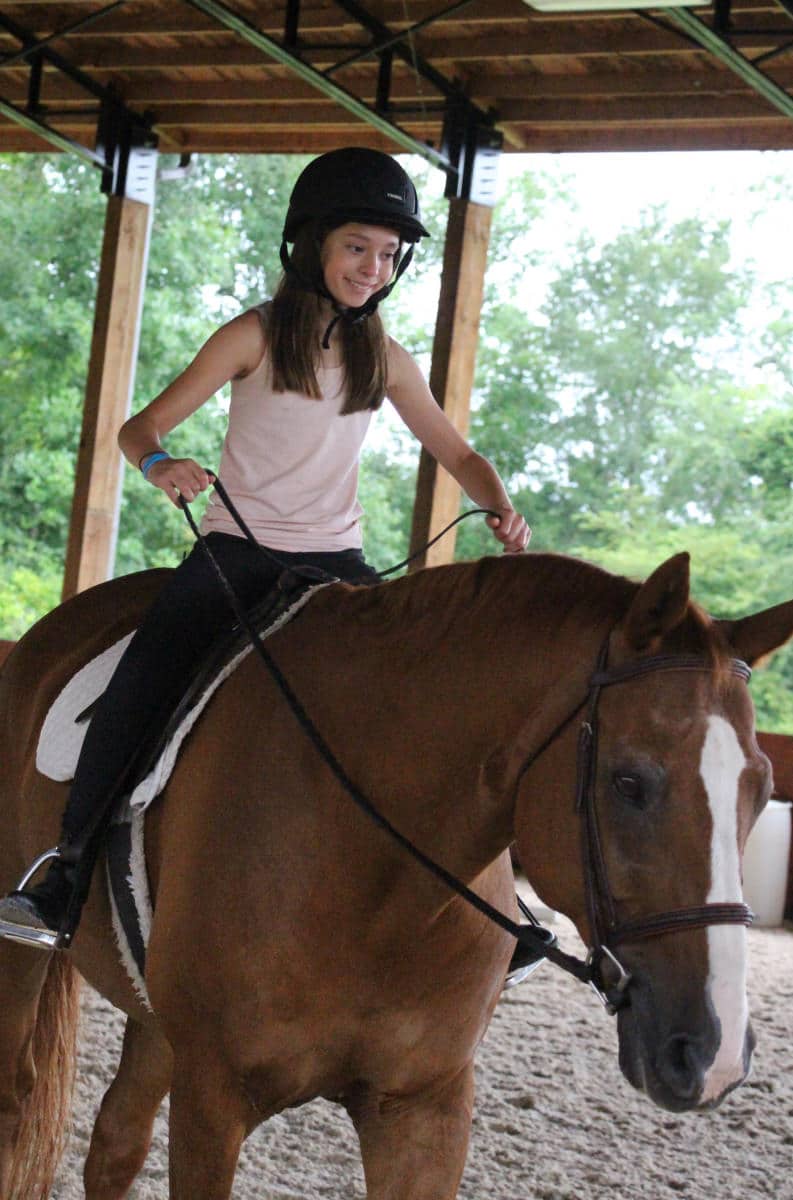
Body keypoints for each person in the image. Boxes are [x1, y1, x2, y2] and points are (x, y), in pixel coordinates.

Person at [0, 148, 535, 977]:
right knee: (140, 689)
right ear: (312, 245)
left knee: (427, 705)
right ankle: (64, 871)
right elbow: (137, 429)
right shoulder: (249, 336)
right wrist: (160, 466)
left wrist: (497, 499)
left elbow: (454, 452)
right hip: (237, 557)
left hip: (338, 566)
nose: (373, 267)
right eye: (358, 246)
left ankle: (498, 901)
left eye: (388, 255)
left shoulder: (384, 358)